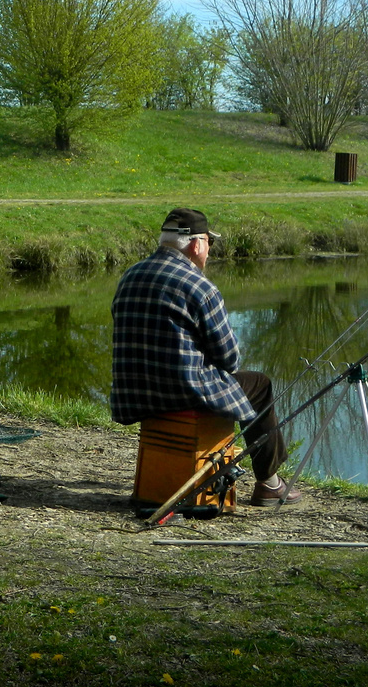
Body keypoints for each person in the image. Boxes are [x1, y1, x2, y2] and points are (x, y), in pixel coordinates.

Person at [111, 207, 300, 506]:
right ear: (197, 244)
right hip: (184, 395)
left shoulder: (129, 276)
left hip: (133, 396)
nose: (209, 251)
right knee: (259, 385)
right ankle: (270, 484)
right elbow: (229, 360)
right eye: (209, 243)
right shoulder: (200, 286)